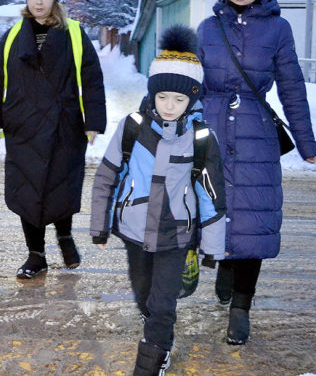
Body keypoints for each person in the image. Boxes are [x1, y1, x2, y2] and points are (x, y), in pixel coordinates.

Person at [196, 0, 316, 345]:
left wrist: (307, 141)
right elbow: (189, 82)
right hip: (213, 129)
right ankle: (225, 269)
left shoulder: (278, 29)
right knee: (215, 209)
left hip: (256, 132)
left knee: (254, 218)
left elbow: (292, 88)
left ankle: (241, 308)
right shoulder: (207, 27)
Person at [90, 25, 227, 376]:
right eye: (163, 96)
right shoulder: (132, 127)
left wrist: (213, 248)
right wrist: (100, 226)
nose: (170, 106)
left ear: (192, 100)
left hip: (176, 236)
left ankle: (153, 358)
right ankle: (157, 325)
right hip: (135, 231)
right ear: (152, 93)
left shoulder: (201, 139)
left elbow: (211, 196)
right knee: (144, 297)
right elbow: (108, 176)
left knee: (162, 303)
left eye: (179, 100)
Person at [0, 0, 106, 279]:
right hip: (22, 124)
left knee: (60, 186)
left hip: (65, 123)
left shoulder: (75, 34)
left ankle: (64, 238)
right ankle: (36, 256)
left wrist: (93, 122)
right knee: (28, 190)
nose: (38, 2)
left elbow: (92, 80)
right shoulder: (12, 35)